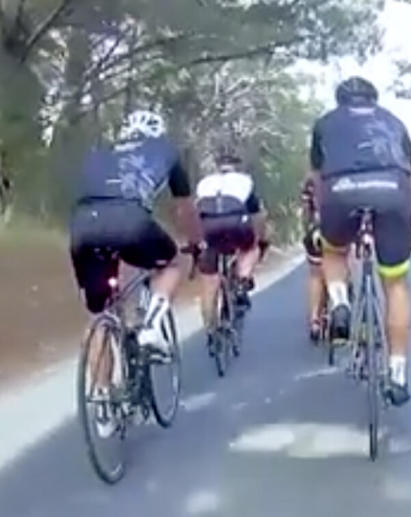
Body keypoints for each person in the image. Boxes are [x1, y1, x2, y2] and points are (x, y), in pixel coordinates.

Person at [69, 109, 201, 437]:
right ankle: (153, 326)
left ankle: (102, 400)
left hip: (84, 227)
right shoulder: (166, 150)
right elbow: (184, 208)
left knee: (100, 313)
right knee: (170, 263)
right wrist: (195, 243)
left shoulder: (99, 153)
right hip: (130, 221)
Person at [308, 76, 411, 406]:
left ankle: (340, 302)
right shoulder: (395, 122)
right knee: (396, 284)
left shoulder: (325, 123)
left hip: (340, 190)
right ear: (374, 99)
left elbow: (316, 178)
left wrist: (319, 216)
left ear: (341, 100)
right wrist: (408, 221)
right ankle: (397, 374)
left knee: (333, 251)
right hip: (393, 191)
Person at [195, 150, 268, 348]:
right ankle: (243, 281)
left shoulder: (204, 183)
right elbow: (257, 216)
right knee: (250, 248)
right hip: (236, 224)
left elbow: (196, 213)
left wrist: (196, 244)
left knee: (209, 281)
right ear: (237, 166)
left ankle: (210, 329)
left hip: (209, 228)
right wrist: (260, 240)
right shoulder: (244, 181)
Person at [300, 174, 327, 341]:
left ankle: (315, 321)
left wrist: (308, 230)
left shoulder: (310, 180)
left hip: (316, 230)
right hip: (339, 229)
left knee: (316, 275)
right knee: (342, 261)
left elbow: (305, 213)